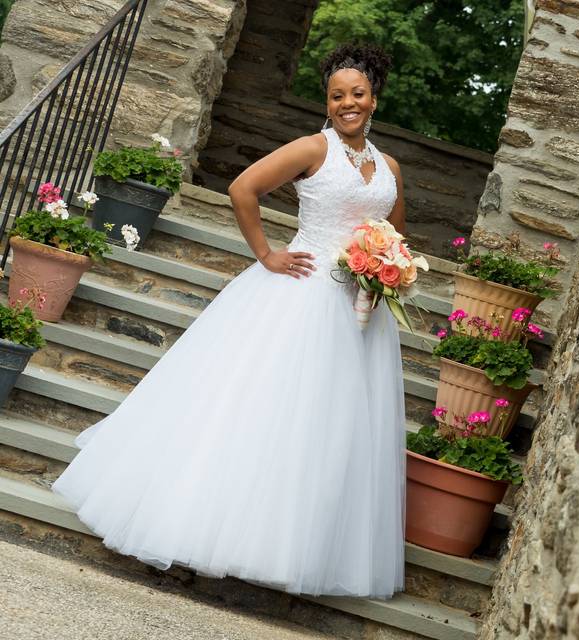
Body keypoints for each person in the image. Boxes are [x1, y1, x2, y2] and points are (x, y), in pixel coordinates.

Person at [51, 43, 408, 600]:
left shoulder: (389, 168)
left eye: (357, 94)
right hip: (301, 294)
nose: (347, 103)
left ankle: (281, 546)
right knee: (251, 413)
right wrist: (267, 254)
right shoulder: (313, 149)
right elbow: (243, 188)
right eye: (337, 95)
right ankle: (188, 535)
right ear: (328, 101)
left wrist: (389, 268)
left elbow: (391, 231)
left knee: (322, 431)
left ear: (375, 98)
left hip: (359, 313)